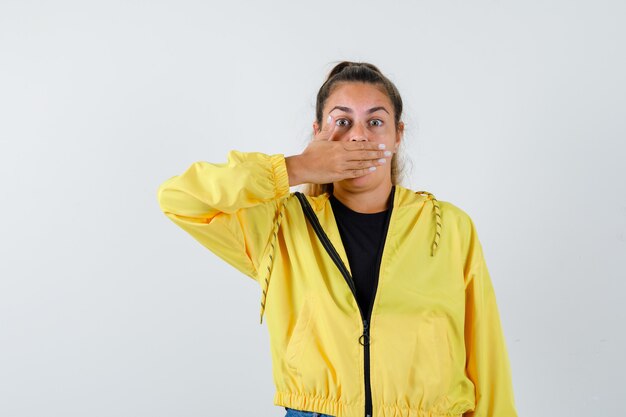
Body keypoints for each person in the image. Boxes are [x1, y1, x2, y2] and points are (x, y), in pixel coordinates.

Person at [156, 61, 519, 417]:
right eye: (342, 122)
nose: (358, 136)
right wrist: (295, 168)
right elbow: (179, 199)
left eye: (375, 122)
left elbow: (486, 356)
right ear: (318, 133)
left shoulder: (449, 227)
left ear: (398, 135)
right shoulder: (281, 225)